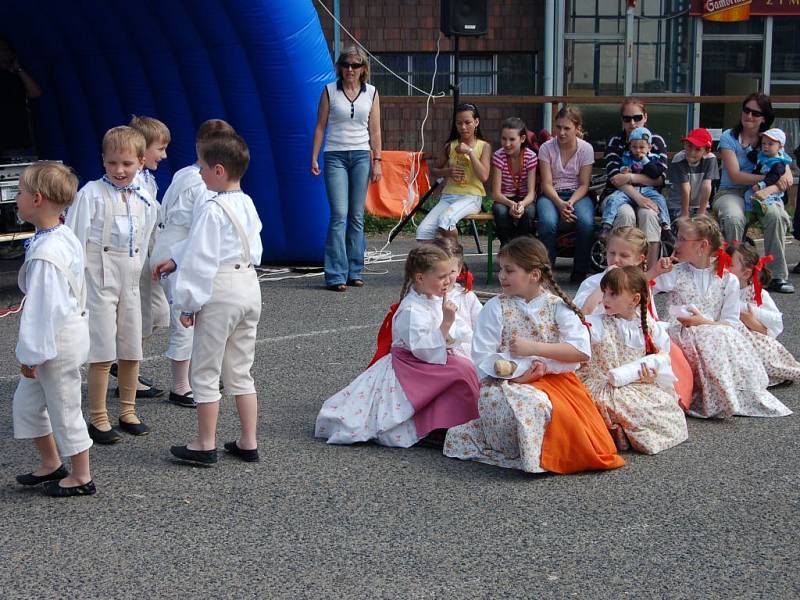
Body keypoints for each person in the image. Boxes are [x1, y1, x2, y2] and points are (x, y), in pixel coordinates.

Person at [444, 237, 625, 474]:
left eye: (510, 270)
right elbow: (482, 356)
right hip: (507, 382)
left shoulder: (558, 306)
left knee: (547, 407)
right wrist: (516, 375)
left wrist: (534, 349)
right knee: (517, 403)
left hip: (556, 381)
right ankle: (529, 453)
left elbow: (580, 351)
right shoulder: (496, 307)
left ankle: (548, 454)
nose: (502, 276)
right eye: (501, 269)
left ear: (534, 275)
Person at [153, 132, 263, 466]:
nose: (198, 172)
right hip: (248, 285)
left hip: (221, 289)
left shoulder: (211, 208)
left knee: (204, 370)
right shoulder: (246, 202)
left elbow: (202, 259)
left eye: (201, 166)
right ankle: (248, 440)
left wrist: (187, 303)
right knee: (241, 370)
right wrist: (176, 257)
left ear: (217, 169)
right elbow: (249, 246)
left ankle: (204, 444)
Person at [315, 245, 480, 447]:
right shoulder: (411, 309)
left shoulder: (435, 297)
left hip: (430, 359)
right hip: (412, 365)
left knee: (466, 369)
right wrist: (446, 323)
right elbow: (422, 349)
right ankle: (434, 426)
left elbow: (459, 332)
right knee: (460, 371)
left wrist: (451, 331)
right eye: (441, 277)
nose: (448, 281)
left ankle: (455, 421)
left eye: (450, 275)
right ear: (420, 278)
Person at [65, 126, 159, 444]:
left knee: (131, 345)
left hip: (130, 277)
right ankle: (98, 416)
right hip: (98, 278)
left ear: (141, 163)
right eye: (112, 163)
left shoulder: (146, 198)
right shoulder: (90, 194)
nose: (119, 170)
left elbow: (148, 238)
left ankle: (128, 410)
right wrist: (74, 286)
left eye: (127, 164)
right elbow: (75, 240)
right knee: (102, 349)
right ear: (103, 160)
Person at [649, 215, 791, 418]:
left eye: (682, 239)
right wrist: (654, 273)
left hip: (713, 332)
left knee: (720, 334)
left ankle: (729, 394)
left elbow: (731, 323)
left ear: (702, 245)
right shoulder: (674, 273)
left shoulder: (728, 279)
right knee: (712, 335)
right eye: (677, 238)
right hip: (679, 332)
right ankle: (716, 398)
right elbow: (642, 292)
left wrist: (703, 322)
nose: (676, 243)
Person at [12, 162, 95, 497]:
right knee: (27, 405)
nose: (15, 197)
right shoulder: (59, 234)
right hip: (57, 335)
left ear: (37, 199)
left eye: (18, 192)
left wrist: (32, 355)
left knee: (64, 407)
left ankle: (81, 476)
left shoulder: (48, 252)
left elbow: (44, 311)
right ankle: (51, 462)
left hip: (55, 341)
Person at [152, 119, 235, 409]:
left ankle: (195, 376)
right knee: (184, 317)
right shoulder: (202, 182)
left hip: (172, 246)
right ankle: (180, 385)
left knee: (190, 315)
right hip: (178, 252)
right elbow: (203, 227)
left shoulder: (185, 174)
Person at [574, 226, 693, 410]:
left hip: (632, 352)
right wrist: (604, 283)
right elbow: (583, 314)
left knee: (670, 354)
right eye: (612, 253)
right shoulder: (592, 282)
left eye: (624, 255)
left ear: (640, 259)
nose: (616, 260)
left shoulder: (639, 287)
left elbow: (647, 320)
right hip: (603, 350)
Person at [579, 266, 688, 455]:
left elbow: (661, 358)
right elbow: (581, 320)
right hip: (603, 384)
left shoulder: (647, 326)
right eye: (604, 293)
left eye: (613, 294)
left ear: (635, 299)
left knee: (664, 404)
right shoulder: (596, 324)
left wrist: (652, 375)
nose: (605, 299)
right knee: (630, 406)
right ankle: (622, 432)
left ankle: (625, 432)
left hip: (635, 383)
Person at [311, 46, 382, 292]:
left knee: (357, 216)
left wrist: (378, 160)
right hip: (335, 156)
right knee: (339, 215)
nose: (350, 69)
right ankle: (335, 274)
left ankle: (355, 271)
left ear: (363, 69)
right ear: (340, 67)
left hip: (362, 154)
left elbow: (375, 130)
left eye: (356, 65)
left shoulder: (371, 93)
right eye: (346, 65)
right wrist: (314, 156)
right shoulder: (330, 91)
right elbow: (320, 126)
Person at [713, 93, 795, 294]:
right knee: (733, 217)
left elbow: (788, 176)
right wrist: (769, 179)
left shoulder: (771, 139)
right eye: (746, 110)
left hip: (764, 193)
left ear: (764, 117)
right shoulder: (728, 137)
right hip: (731, 190)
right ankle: (733, 273)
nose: (748, 115)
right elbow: (735, 175)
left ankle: (776, 276)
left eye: (755, 113)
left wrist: (771, 186)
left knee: (777, 216)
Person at [117, 115, 172, 399]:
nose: (163, 155)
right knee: (142, 314)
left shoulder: (147, 180)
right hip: (139, 259)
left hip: (150, 254)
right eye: (159, 149)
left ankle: (126, 365)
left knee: (155, 313)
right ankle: (126, 367)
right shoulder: (133, 183)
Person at [603, 98, 669, 268]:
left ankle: (650, 275)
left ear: (645, 117)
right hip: (618, 195)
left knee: (649, 215)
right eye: (627, 118)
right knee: (626, 214)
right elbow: (615, 178)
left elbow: (660, 178)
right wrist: (639, 198)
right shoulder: (615, 141)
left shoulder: (656, 141)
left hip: (650, 193)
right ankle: (622, 271)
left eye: (637, 117)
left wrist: (630, 177)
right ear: (622, 120)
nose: (632, 123)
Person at [535, 106, 595, 283]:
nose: (561, 132)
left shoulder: (586, 149)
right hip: (552, 194)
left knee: (586, 223)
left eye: (567, 128)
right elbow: (546, 184)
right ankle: (546, 272)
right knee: (547, 223)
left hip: (577, 194)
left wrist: (570, 203)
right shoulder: (547, 148)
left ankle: (580, 271)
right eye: (558, 127)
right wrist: (560, 203)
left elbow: (584, 184)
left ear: (577, 129)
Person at [727, 244, 800, 386]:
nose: (723, 268)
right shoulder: (722, 288)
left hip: (756, 342)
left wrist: (751, 320)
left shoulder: (757, 294)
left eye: (729, 265)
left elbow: (775, 324)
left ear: (746, 273)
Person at [419, 103, 491, 241]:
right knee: (423, 232)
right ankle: (438, 260)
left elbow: (484, 176)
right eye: (459, 123)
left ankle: (455, 257)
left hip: (471, 196)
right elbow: (434, 170)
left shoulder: (484, 146)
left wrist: (469, 152)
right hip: (448, 196)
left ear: (476, 122)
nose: (463, 127)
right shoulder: (450, 146)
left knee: (446, 221)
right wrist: (448, 171)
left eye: (467, 122)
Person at [599, 127, 672, 243]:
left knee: (660, 201)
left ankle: (666, 227)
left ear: (649, 147)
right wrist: (624, 171)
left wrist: (644, 160)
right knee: (615, 200)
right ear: (630, 147)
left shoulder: (653, 158)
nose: (638, 150)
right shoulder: (626, 157)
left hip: (647, 190)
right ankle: (607, 226)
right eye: (634, 147)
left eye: (642, 147)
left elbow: (656, 175)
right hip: (627, 191)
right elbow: (617, 177)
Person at [430, 237, 482, 360]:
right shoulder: (425, 297)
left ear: (459, 269)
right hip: (436, 355)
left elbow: (482, 326)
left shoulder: (467, 297)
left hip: (467, 355)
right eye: (440, 272)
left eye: (452, 271)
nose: (446, 279)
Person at [490, 117, 538, 246]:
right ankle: (507, 247)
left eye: (512, 139)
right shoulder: (498, 156)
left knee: (529, 212)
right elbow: (495, 194)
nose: (506, 144)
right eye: (504, 139)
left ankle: (521, 248)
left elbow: (531, 193)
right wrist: (511, 204)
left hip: (524, 199)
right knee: (500, 211)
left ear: (522, 139)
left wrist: (521, 205)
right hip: (504, 199)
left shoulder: (530, 157)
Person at [0, 38, 42, 157]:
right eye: (2, 50)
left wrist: (18, 68)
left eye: (7, 49)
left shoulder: (15, 78)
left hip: (16, 141)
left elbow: (35, 93)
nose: (5, 52)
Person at [666, 128, 718, 221]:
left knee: (707, 228)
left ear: (706, 151)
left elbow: (707, 186)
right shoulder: (679, 159)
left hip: (699, 205)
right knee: (683, 226)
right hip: (679, 205)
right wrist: (685, 214)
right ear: (684, 145)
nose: (692, 152)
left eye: (698, 149)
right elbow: (685, 187)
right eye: (689, 146)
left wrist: (701, 213)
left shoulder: (711, 159)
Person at [744, 128, 792, 218]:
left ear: (780, 147)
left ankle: (762, 208)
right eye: (764, 143)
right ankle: (750, 213)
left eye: (770, 144)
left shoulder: (778, 163)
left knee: (768, 199)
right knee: (747, 195)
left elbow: (774, 177)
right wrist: (747, 148)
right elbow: (753, 157)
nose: (766, 146)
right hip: (758, 185)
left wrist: (761, 185)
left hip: (770, 188)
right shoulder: (762, 155)